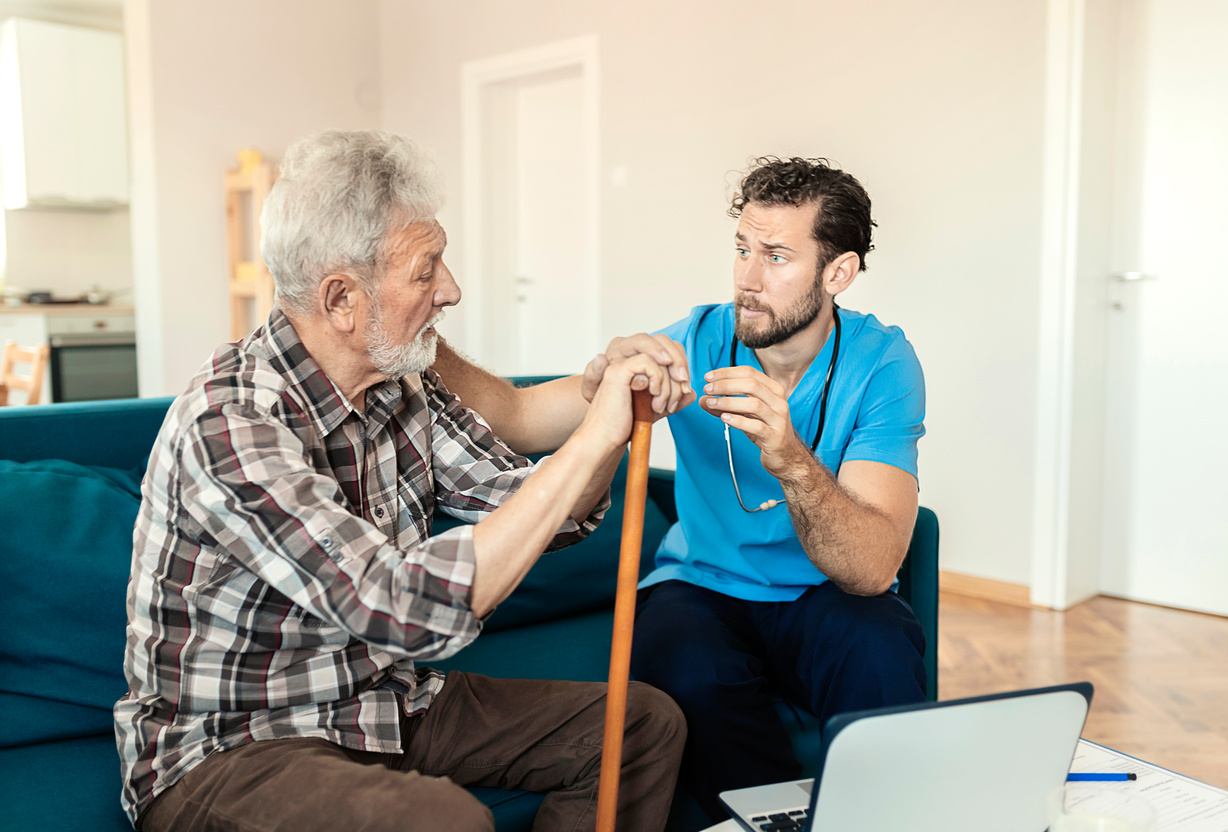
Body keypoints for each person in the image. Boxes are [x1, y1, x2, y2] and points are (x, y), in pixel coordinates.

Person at [114, 129, 686, 832]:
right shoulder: (231, 422)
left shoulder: (400, 382)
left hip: (382, 703)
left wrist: (608, 420)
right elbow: (399, 608)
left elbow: (542, 511)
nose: (451, 291)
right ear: (341, 300)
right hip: (236, 747)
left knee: (640, 727)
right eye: (426, 270)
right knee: (438, 821)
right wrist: (594, 435)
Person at [432, 157, 927, 820]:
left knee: (882, 648)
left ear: (837, 272)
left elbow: (868, 569)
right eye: (742, 249)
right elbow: (518, 418)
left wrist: (787, 455)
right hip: (703, 589)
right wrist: (409, 331)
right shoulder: (692, 346)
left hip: (825, 590)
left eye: (777, 256)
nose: (748, 280)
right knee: (682, 665)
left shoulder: (881, 362)